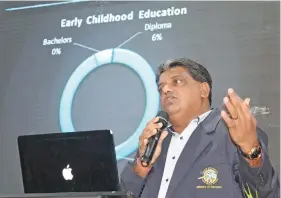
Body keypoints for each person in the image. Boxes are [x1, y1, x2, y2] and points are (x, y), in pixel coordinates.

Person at [120, 58, 279, 198]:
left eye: (177, 81)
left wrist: (251, 151)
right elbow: (125, 193)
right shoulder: (156, 142)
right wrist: (141, 166)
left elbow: (264, 194)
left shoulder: (232, 132)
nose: (166, 90)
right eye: (161, 88)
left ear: (203, 90)